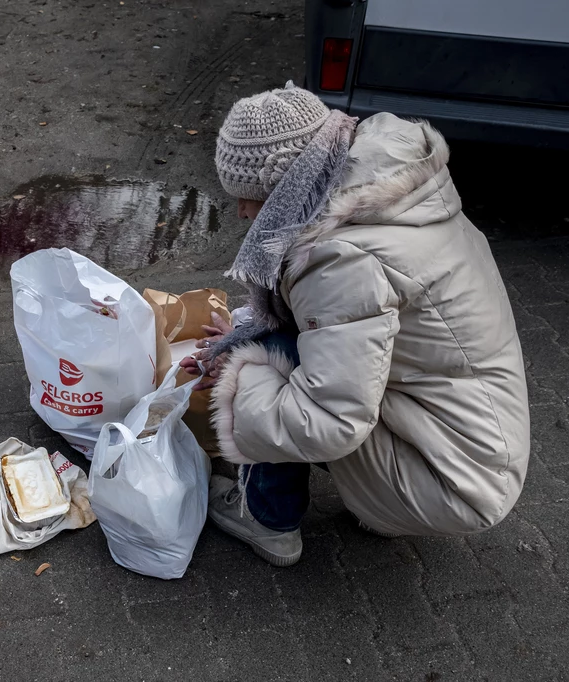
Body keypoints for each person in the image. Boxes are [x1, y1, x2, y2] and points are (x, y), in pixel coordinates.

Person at [179, 83, 530, 567]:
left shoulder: (341, 258)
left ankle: (268, 520)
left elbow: (330, 421)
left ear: (286, 187)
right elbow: (344, 328)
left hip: (455, 482)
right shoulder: (385, 188)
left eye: (250, 197)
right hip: (477, 443)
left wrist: (236, 378)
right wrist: (248, 328)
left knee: (262, 365)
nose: (241, 211)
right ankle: (384, 508)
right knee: (282, 344)